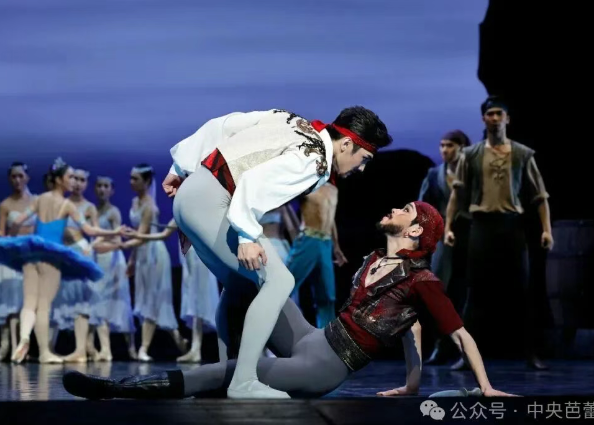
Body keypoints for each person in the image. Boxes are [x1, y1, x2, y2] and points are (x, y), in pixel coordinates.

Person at [62, 201, 516, 400]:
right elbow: (408, 331)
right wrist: (412, 384)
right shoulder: (376, 260)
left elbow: (458, 335)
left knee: (234, 373)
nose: (396, 210)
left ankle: (116, 389)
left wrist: (486, 387)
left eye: (406, 211)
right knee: (257, 280)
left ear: (415, 230)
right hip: (312, 337)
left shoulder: (422, 281)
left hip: (323, 366)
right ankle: (225, 365)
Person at [160, 107, 391, 398]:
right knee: (280, 281)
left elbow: (223, 125)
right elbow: (253, 183)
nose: (362, 168)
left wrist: (179, 167)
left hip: (191, 194)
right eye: (364, 158)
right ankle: (243, 380)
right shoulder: (314, 158)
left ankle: (222, 377)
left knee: (240, 285)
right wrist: (246, 236)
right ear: (346, 144)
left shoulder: (289, 119)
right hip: (212, 201)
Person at [444, 96, 553, 370]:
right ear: (483, 119)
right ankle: (466, 356)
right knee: (475, 293)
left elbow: (540, 196)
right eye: (490, 114)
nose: (494, 118)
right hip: (482, 226)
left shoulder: (522, 154)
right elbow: (457, 194)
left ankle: (531, 353)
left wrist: (546, 230)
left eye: (499, 114)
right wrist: (448, 227)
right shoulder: (471, 154)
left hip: (511, 226)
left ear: (507, 118)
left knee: (522, 292)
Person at [0, 157, 122, 363]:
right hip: (52, 258)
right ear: (59, 180)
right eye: (70, 177)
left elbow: (18, 220)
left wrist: (13, 241)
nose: (73, 181)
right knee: (43, 305)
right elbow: (89, 230)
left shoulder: (39, 199)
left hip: (31, 253)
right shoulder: (67, 205)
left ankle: (24, 338)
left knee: (29, 303)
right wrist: (115, 232)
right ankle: (44, 353)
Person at [122, 218, 220, 363]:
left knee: (201, 301)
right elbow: (164, 233)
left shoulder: (195, 211)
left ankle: (203, 349)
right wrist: (137, 235)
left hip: (199, 256)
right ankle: (195, 349)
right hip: (188, 258)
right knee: (195, 303)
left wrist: (137, 236)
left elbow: (164, 235)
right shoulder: (180, 212)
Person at [119, 164, 187, 361]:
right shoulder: (135, 202)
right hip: (142, 253)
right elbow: (138, 236)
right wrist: (132, 259)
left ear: (147, 181)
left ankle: (143, 348)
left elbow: (140, 236)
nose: (131, 182)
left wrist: (121, 245)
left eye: (136, 179)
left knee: (152, 299)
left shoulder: (149, 205)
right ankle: (179, 341)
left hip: (154, 254)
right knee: (150, 300)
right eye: (131, 178)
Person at [418, 130, 471, 364]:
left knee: (467, 291)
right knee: (440, 291)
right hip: (442, 238)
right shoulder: (434, 175)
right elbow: (423, 208)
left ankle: (465, 349)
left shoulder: (472, 174)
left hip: (469, 233)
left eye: (450, 145)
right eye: (442, 145)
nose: (444, 150)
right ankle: (441, 345)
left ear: (462, 148)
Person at [51, 167, 100, 363]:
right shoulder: (63, 204)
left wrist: (90, 246)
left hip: (80, 252)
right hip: (63, 254)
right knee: (58, 300)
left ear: (86, 183)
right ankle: (50, 348)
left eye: (82, 180)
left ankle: (80, 350)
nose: (77, 183)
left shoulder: (89, 207)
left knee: (80, 300)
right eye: (74, 179)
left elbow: (95, 233)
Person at [88, 176, 137, 361]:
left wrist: (100, 245)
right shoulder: (92, 211)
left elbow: (118, 240)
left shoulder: (113, 212)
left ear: (111, 190)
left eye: (106, 186)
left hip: (112, 260)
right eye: (99, 186)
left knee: (120, 302)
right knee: (99, 303)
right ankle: (103, 348)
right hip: (97, 260)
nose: (102, 189)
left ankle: (131, 348)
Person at [288, 181, 348, 328]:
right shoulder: (306, 183)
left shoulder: (333, 190)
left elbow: (330, 218)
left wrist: (336, 247)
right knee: (285, 286)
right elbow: (287, 202)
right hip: (308, 239)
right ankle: (268, 327)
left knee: (327, 296)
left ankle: (326, 334)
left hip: (326, 243)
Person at [0, 162, 36, 361]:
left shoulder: (36, 202)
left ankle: (26, 344)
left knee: (30, 301)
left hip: (32, 255)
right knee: (12, 303)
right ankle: (11, 345)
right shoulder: (5, 205)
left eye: (20, 176)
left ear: (27, 177)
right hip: (13, 256)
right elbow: (1, 234)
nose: (17, 180)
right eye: (13, 176)